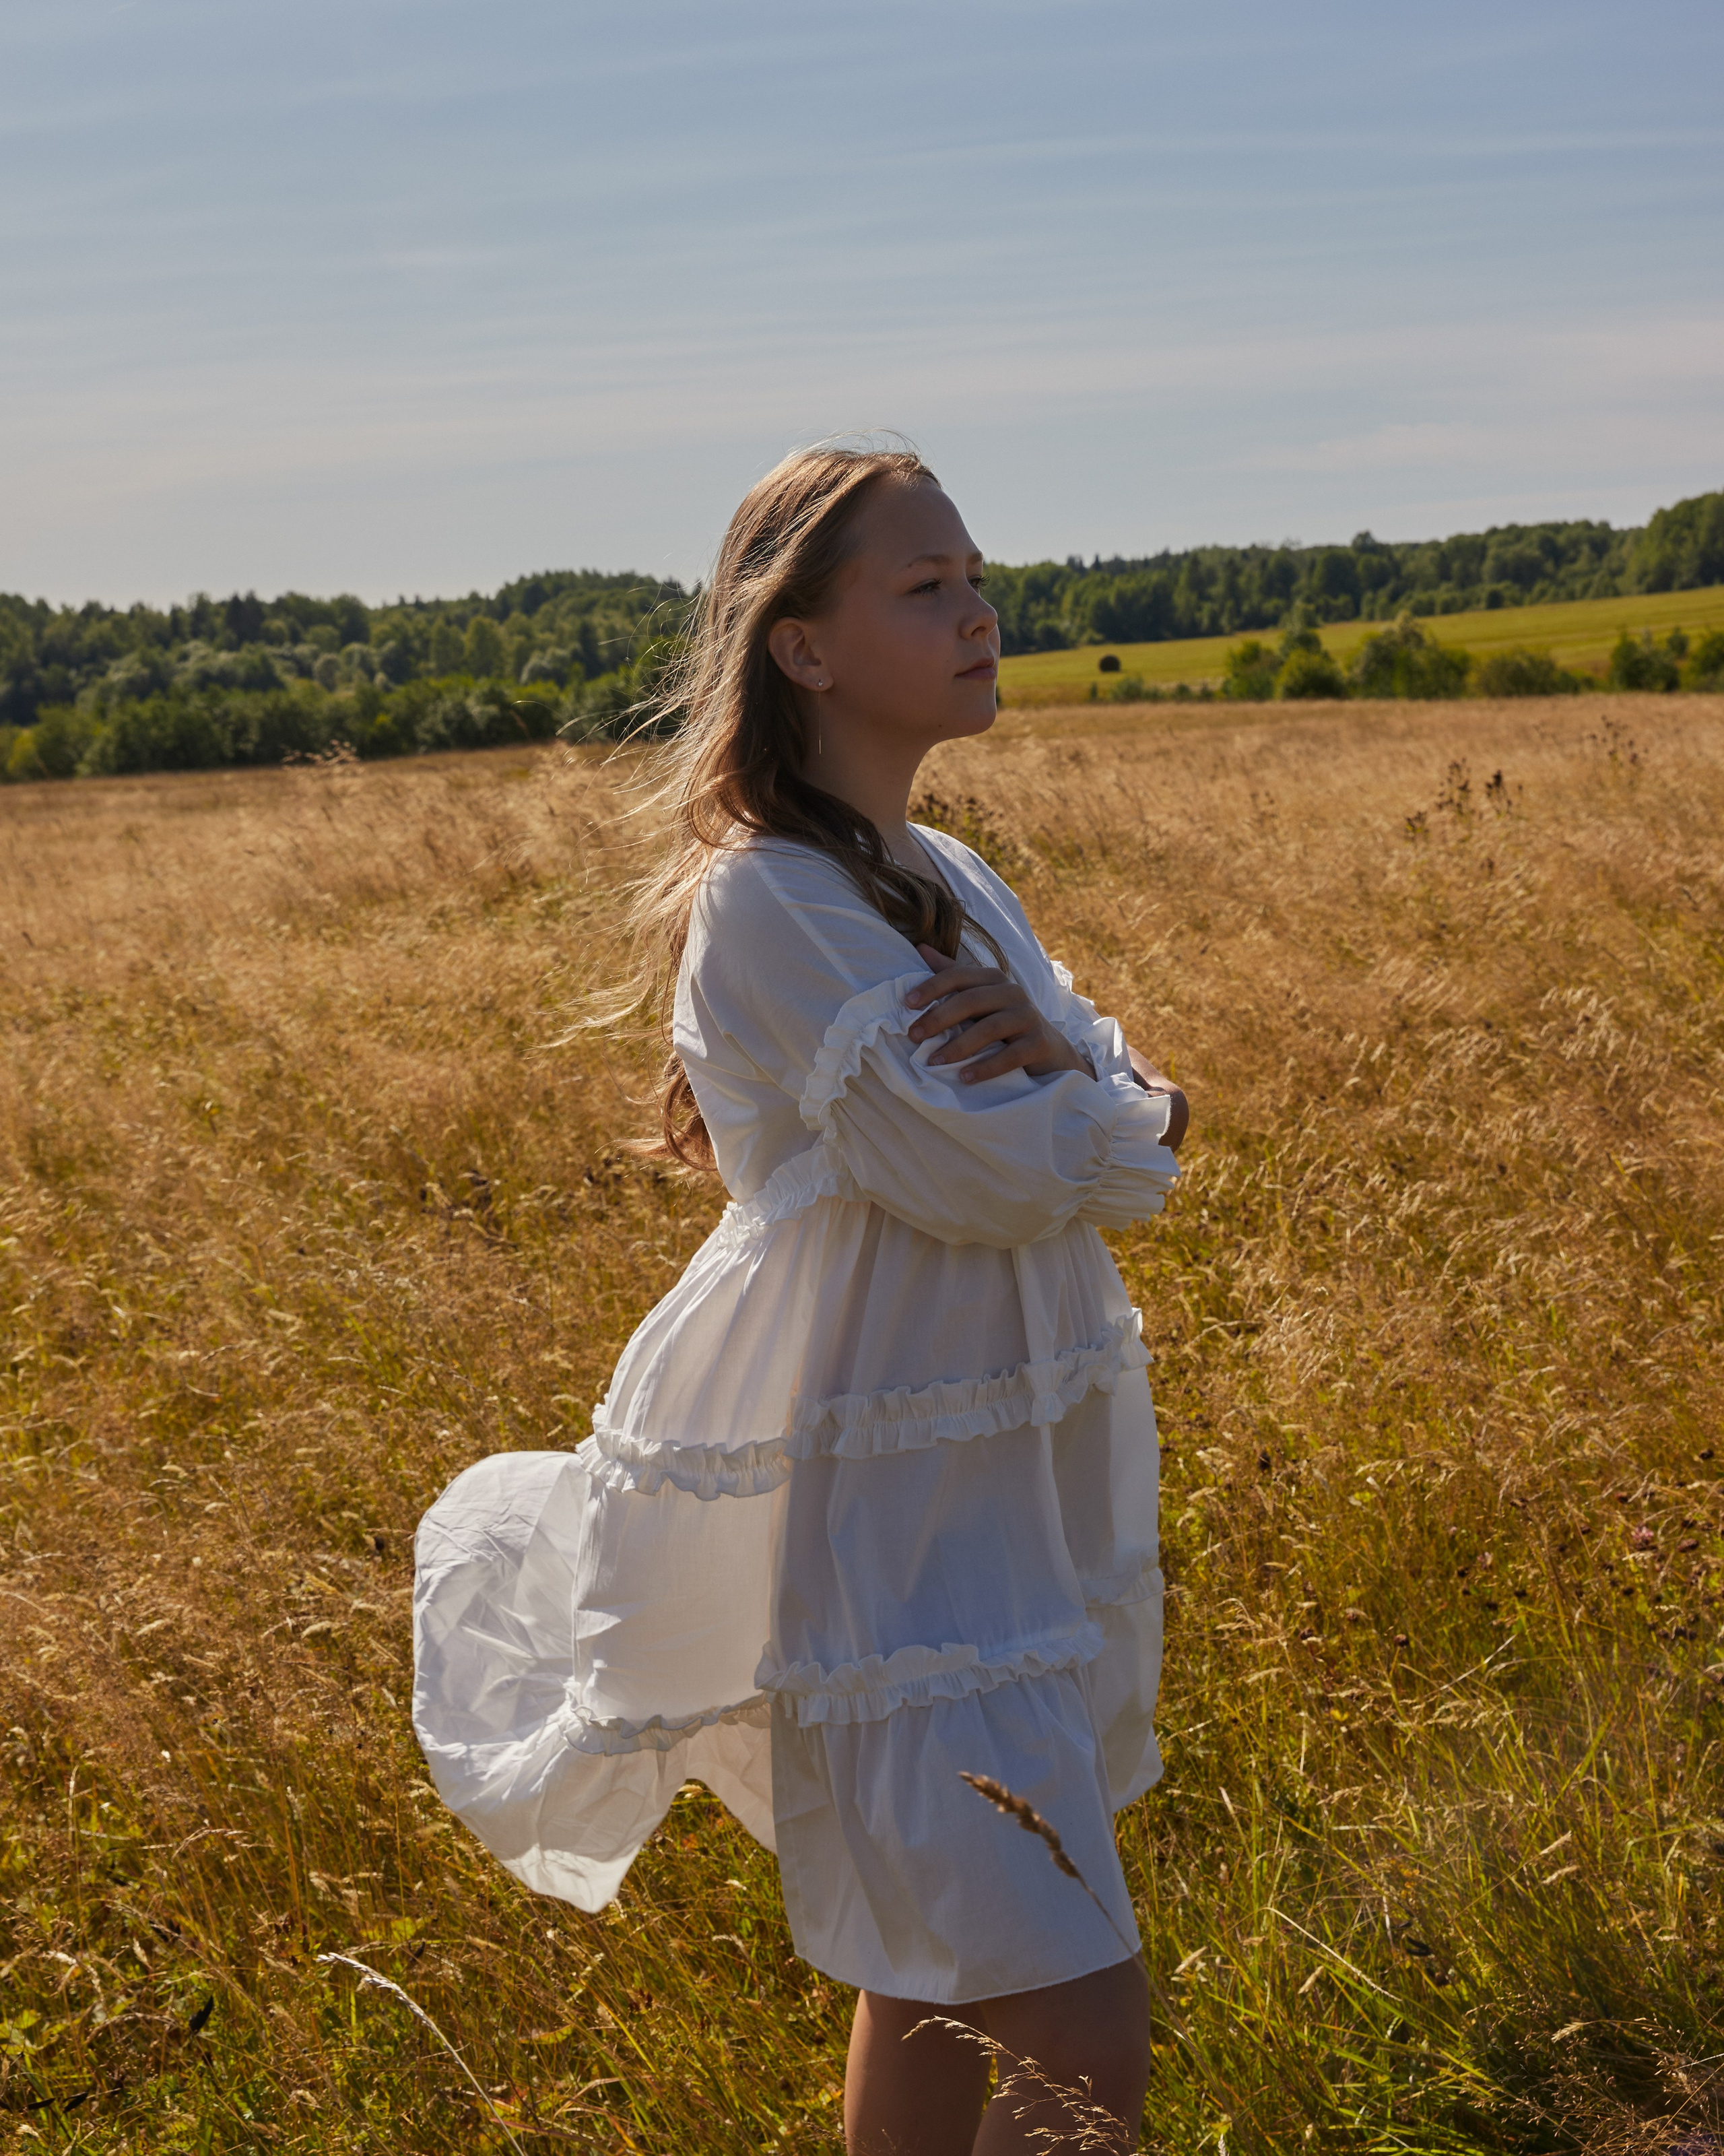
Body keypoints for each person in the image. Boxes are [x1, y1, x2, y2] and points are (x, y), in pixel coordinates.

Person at [412, 443, 1188, 2154]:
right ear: (803, 647)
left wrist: (1092, 1077)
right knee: (1081, 2040)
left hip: (1007, 1505)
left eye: (975, 572)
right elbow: (990, 1163)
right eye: (924, 585)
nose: (980, 606)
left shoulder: (951, 874)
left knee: (922, 1976)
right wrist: (1105, 1082)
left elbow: (1104, 1114)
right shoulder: (771, 895)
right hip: (902, 1542)